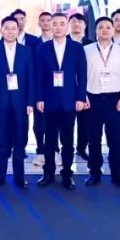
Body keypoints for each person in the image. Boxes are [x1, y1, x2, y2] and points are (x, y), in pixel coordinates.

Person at [35, 13, 87, 190]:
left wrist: (80, 98)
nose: (58, 27)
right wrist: (39, 97)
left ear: (67, 26)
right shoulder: (42, 48)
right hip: (48, 100)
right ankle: (48, 173)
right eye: (55, 23)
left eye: (62, 24)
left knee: (68, 140)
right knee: (49, 140)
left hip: (69, 100)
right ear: (50, 26)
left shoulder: (76, 48)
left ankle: (67, 174)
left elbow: (82, 75)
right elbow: (39, 75)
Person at [82, 17, 120, 188]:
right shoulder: (86, 50)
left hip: (115, 100)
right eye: (101, 27)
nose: (104, 30)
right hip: (92, 100)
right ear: (96, 30)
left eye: (108, 27)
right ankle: (94, 173)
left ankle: (117, 174)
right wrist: (83, 96)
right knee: (93, 139)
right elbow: (78, 75)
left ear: (113, 30)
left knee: (117, 139)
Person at [0, 16, 35, 188]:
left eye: (13, 28)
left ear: (18, 30)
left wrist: (30, 102)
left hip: (21, 104)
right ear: (1, 30)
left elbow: (31, 78)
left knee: (20, 141)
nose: (10, 31)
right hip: (0, 103)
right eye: (7, 28)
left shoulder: (26, 51)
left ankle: (19, 177)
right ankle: (0, 176)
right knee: (1, 142)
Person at [32, 10, 54, 168]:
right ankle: (40, 150)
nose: (46, 23)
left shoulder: (63, 42)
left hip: (58, 89)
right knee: (39, 122)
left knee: (55, 122)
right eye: (43, 20)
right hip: (39, 87)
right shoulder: (34, 43)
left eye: (49, 20)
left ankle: (54, 151)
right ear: (39, 23)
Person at [69, 13, 92, 161]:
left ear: (85, 25)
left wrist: (85, 93)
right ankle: (66, 148)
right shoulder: (62, 41)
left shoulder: (91, 44)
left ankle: (81, 148)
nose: (77, 24)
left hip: (86, 90)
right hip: (66, 89)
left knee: (84, 122)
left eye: (80, 22)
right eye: (73, 21)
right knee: (66, 122)